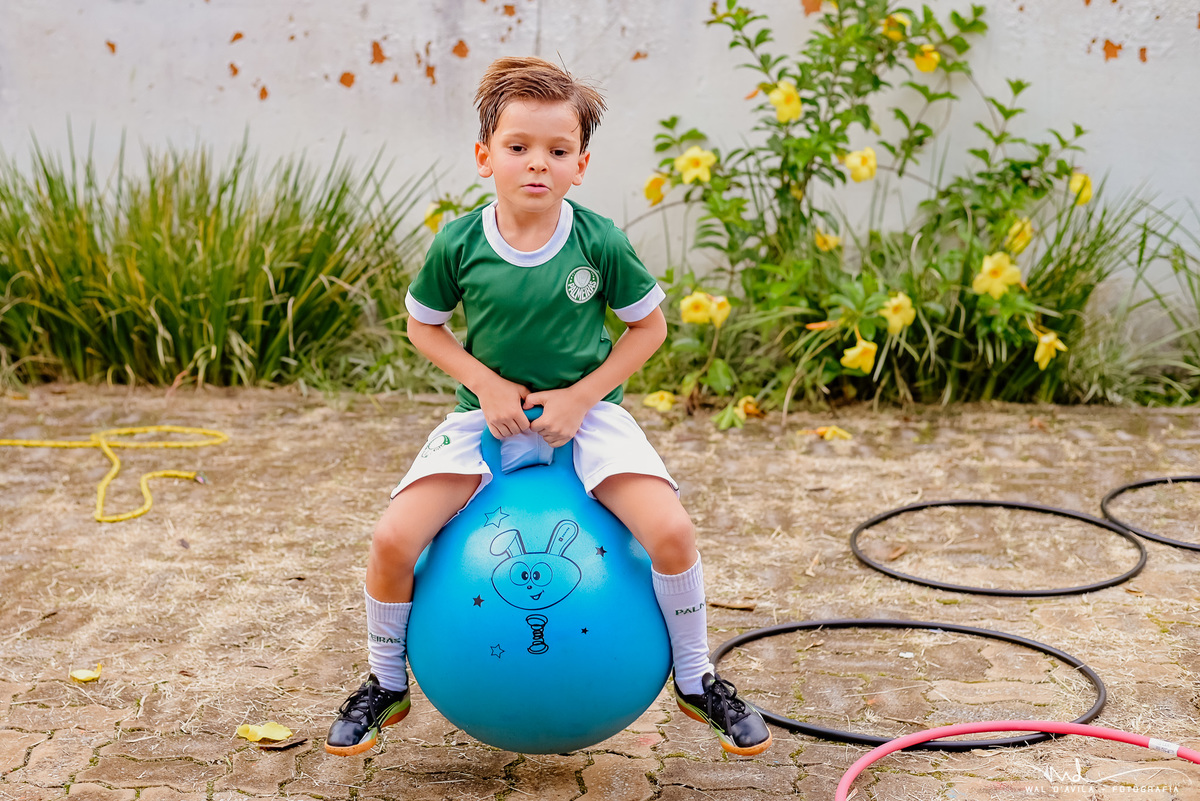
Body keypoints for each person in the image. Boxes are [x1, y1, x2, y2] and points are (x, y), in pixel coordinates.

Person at [325, 55, 771, 758]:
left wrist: (582, 396)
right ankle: (385, 681)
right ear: (485, 156)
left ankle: (695, 677)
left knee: (672, 531)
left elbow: (649, 328)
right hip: (483, 419)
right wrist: (486, 385)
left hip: (588, 417)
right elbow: (423, 327)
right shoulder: (459, 242)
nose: (538, 163)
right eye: (519, 146)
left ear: (580, 165)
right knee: (391, 539)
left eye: (558, 151)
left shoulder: (600, 241)